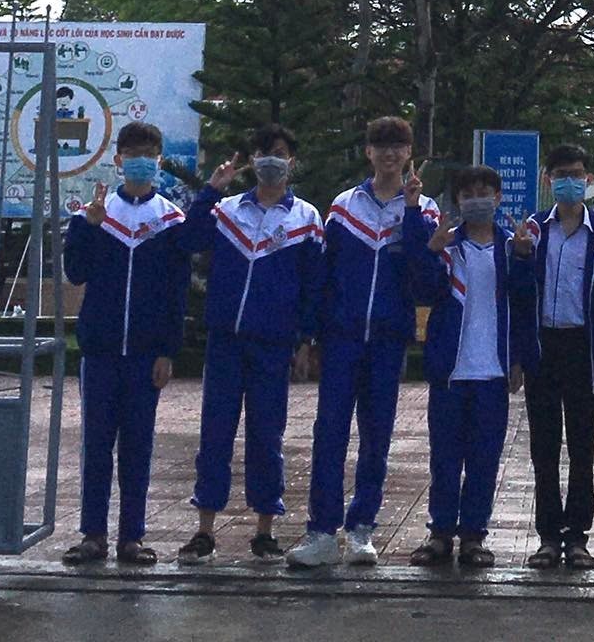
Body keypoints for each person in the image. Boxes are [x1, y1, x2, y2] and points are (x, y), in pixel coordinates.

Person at [289, 115, 438, 569]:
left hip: (387, 340)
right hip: (341, 338)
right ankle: (321, 532)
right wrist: (308, 336)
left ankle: (361, 530)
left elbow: (424, 279)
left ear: (409, 153)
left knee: (377, 437)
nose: (390, 153)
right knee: (329, 433)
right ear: (368, 152)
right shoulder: (343, 207)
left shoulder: (425, 209)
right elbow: (323, 276)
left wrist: (411, 213)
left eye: (398, 146)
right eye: (381, 145)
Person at [180, 123, 323, 564]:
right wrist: (210, 189)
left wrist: (306, 341)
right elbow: (190, 240)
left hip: (273, 345)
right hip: (226, 341)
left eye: (278, 152)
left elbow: (313, 286)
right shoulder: (225, 211)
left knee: (267, 437)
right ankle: (205, 530)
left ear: (292, 162)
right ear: (252, 161)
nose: (270, 160)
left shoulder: (306, 219)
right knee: (215, 434)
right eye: (262, 152)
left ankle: (265, 530)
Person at [59, 121, 192, 567]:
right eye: (132, 155)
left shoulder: (170, 220)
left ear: (159, 161)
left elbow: (176, 292)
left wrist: (168, 350)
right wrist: (90, 228)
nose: (141, 162)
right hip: (100, 352)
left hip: (145, 355)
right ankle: (93, 535)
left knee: (138, 447)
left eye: (149, 155)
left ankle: (132, 537)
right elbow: (76, 272)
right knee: (96, 446)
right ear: (118, 160)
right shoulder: (94, 214)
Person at [405, 163, 533, 569]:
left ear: (498, 198)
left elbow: (523, 303)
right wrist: (431, 251)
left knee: (484, 459)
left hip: (492, 372)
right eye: (468, 194)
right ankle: (441, 533)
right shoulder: (447, 244)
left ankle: (474, 536)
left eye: (484, 193)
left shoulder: (512, 246)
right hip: (451, 371)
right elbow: (424, 292)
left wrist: (525, 259)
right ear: (457, 201)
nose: (477, 200)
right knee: (444, 459)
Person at [513, 143, 594, 570]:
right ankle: (547, 537)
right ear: (548, 180)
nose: (570, 181)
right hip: (544, 348)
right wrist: (521, 258)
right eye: (561, 175)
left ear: (589, 180)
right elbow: (519, 296)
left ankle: (577, 537)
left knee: (582, 447)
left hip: (584, 350)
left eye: (577, 174)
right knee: (543, 448)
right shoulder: (534, 230)